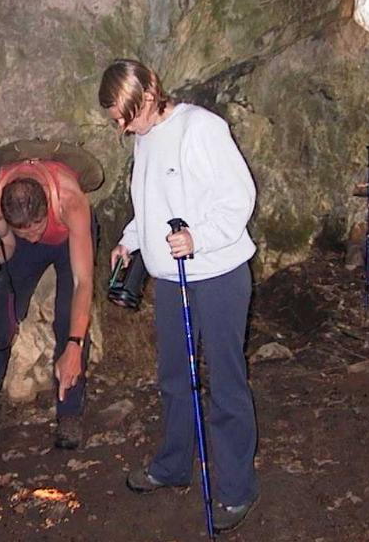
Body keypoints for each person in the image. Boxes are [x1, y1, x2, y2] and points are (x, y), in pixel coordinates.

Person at [98, 58, 259, 533]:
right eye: (117, 122)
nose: (124, 130)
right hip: (171, 279)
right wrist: (132, 238)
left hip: (219, 273)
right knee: (174, 377)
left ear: (148, 96)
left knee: (226, 382)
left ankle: (235, 488)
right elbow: (151, 203)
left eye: (126, 118)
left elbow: (239, 198)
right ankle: (171, 466)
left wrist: (199, 238)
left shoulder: (202, 129)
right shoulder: (146, 138)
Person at [0, 140, 101, 450]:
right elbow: (7, 248)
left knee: (68, 317)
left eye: (37, 228)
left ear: (48, 206)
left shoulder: (71, 202)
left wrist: (74, 344)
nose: (33, 237)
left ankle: (69, 411)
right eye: (25, 232)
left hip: (68, 239)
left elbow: (82, 282)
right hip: (17, 242)